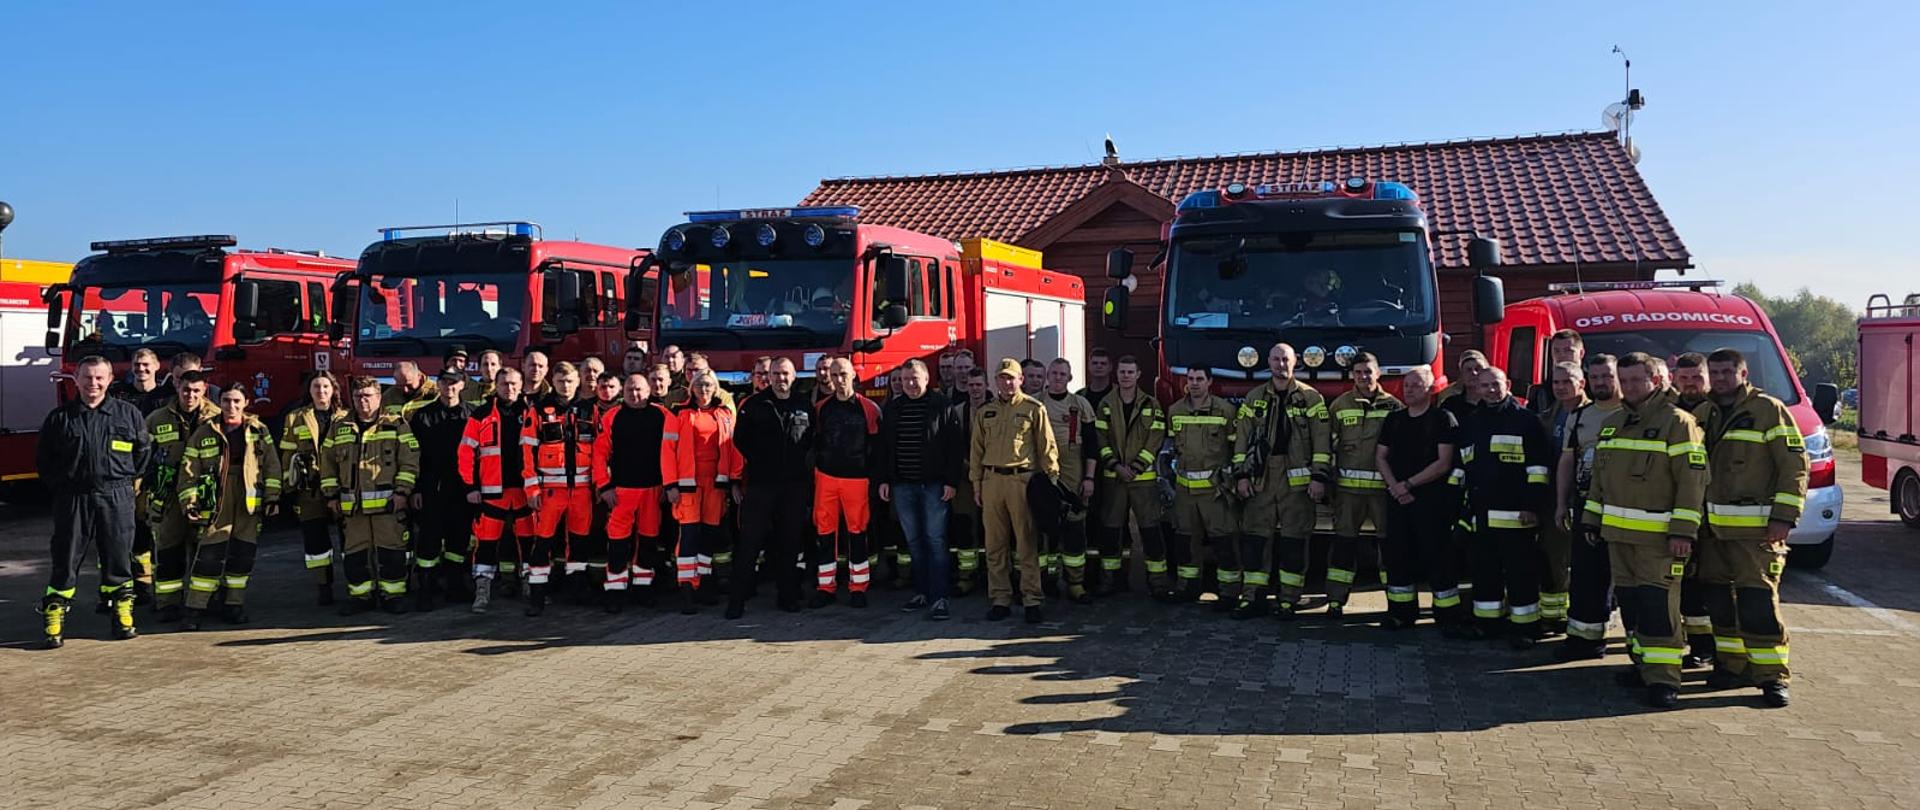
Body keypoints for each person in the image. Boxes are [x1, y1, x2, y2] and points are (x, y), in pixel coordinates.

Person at [1583, 352, 1707, 709]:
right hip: (1618, 538)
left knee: (1658, 609)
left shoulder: (1679, 423)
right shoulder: (1614, 423)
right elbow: (1599, 482)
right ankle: (1642, 666)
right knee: (1633, 608)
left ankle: (1664, 680)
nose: (1631, 387)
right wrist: (1592, 519)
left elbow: (1692, 482)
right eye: (1626, 381)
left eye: (1638, 380)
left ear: (1656, 381)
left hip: (1660, 540)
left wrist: (1683, 532)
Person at [1693, 348, 1807, 708]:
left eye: (1728, 372)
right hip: (1711, 533)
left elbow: (1794, 466)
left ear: (1743, 374)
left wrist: (1784, 518)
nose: (1721, 378)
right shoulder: (1702, 413)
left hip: (1755, 533)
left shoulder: (1768, 410)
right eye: (1715, 372)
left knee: (1757, 603)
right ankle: (1732, 666)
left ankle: (1772, 677)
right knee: (1720, 603)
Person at [36, 355, 152, 648]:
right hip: (73, 497)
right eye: (87, 377)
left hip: (116, 495)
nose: (93, 383)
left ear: (110, 380)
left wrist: (122, 482)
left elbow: (143, 453)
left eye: (100, 378)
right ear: (76, 380)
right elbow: (44, 461)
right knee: (66, 556)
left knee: (118, 555)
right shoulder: (59, 418)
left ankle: (122, 613)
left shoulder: (128, 415)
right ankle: (55, 614)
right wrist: (63, 487)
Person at [1232, 343, 1331, 619]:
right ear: (1268, 362)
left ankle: (1289, 600)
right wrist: (1241, 476)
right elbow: (1241, 440)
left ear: (1295, 362)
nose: (1280, 364)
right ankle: (1252, 597)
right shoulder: (1254, 397)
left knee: (1294, 543)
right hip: (1261, 479)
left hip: (1297, 482)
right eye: (1275, 359)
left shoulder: (1311, 399)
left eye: (1285, 359)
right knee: (1254, 540)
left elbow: (1322, 442)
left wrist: (1319, 477)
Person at [1458, 367, 1553, 647]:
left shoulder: (1526, 421)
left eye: (1495, 384)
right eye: (1484, 385)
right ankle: (1488, 625)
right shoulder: (1473, 422)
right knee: (1484, 572)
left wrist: (1532, 506)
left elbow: (1538, 470)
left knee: (1521, 574)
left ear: (1507, 384)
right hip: (1482, 516)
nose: (1490, 390)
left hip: (1517, 517)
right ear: (1477, 388)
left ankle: (1526, 628)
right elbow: (1463, 468)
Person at [176, 383, 282, 629]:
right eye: (226, 401)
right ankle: (194, 610)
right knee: (209, 555)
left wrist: (273, 498)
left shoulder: (258, 430)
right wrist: (190, 501)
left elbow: (272, 466)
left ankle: (234, 605)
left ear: (246, 403)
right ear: (219, 402)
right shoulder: (205, 431)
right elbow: (189, 469)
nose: (231, 406)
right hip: (217, 500)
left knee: (243, 555)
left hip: (248, 500)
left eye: (236, 401)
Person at [1375, 366, 1466, 631]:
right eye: (1406, 385)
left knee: (1438, 557)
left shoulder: (1442, 419)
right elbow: (1380, 456)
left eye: (1416, 385)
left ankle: (1447, 616)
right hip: (1398, 500)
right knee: (1398, 556)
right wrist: (1395, 487)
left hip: (1430, 501)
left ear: (1430, 389)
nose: (1409, 389)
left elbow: (1443, 462)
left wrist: (1408, 484)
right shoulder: (1394, 419)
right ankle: (1401, 613)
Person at [322, 376, 421, 615]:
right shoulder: (339, 426)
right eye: (358, 396)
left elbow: (410, 462)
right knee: (355, 556)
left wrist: (402, 492)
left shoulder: (396, 424)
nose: (362, 401)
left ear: (379, 398)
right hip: (352, 508)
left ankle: (393, 597)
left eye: (368, 396)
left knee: (392, 553)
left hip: (388, 506)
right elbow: (327, 464)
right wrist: (331, 495)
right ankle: (361, 597)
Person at [972, 358, 1058, 623]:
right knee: (994, 545)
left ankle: (1032, 599)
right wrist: (977, 484)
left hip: (1022, 482)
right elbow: (976, 451)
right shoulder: (985, 411)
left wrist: (1050, 485)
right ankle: (1000, 599)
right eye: (1002, 378)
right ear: (995, 381)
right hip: (992, 481)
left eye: (1011, 378)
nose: (1007, 383)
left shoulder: (1034, 409)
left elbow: (1047, 448)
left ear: (1021, 380)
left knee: (1026, 543)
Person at [878, 359, 961, 620]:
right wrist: (883, 479)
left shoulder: (941, 406)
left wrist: (951, 481)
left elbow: (954, 446)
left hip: (934, 485)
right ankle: (922, 592)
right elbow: (883, 448)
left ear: (927, 379)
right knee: (914, 541)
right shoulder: (893, 408)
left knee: (935, 541)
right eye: (905, 380)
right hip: (903, 485)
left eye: (915, 378)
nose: (910, 384)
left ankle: (940, 598)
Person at [732, 357, 814, 618]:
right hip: (762, 484)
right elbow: (740, 440)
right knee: (750, 542)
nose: (781, 378)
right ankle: (737, 600)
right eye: (776, 373)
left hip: (793, 485)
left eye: (786, 374)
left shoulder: (803, 404)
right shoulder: (754, 405)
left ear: (794, 376)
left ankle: (787, 596)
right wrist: (761, 460)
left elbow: (811, 438)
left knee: (789, 541)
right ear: (769, 376)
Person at [1556, 353, 1624, 660]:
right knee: (1585, 574)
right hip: (1587, 504)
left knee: (1624, 575)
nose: (1601, 382)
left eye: (1606, 376)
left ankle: (1636, 645)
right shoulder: (1580, 415)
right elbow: (1567, 461)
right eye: (1595, 377)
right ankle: (1585, 639)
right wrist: (1561, 503)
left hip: (1625, 505)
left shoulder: (1632, 412)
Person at [1323, 352, 1402, 616]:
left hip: (1383, 493)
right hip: (1347, 493)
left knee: (1389, 549)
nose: (1363, 377)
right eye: (1358, 372)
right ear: (1352, 375)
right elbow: (1328, 446)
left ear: (1378, 373)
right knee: (1343, 547)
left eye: (1368, 372)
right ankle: (1335, 601)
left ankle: (1396, 601)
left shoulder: (1394, 407)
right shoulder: (1340, 406)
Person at [595, 372, 678, 612]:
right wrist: (605, 486)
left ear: (649, 390)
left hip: (653, 490)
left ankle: (643, 589)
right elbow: (600, 455)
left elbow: (673, 452)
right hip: (621, 491)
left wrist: (669, 484)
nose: (634, 394)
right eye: (630, 390)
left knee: (648, 542)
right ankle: (615, 591)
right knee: (618, 544)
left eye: (639, 389)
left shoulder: (663, 415)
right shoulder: (612, 416)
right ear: (623, 391)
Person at [519, 362, 597, 616]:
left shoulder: (589, 409)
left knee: (579, 542)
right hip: (550, 491)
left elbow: (601, 450)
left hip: (582, 490)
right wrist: (531, 489)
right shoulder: (539, 410)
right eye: (561, 381)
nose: (566, 386)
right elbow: (527, 452)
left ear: (579, 382)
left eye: (570, 381)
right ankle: (537, 597)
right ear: (554, 381)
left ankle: (577, 590)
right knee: (542, 544)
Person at [146, 362, 220, 623]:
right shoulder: (156, 419)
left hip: (203, 495)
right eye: (186, 390)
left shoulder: (217, 418)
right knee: (168, 550)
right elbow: (143, 460)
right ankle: (167, 603)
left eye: (196, 391)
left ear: (205, 390)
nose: (191, 396)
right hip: (167, 497)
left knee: (205, 551)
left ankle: (204, 602)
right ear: (178, 387)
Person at [805, 357, 882, 608]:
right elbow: (813, 443)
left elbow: (877, 446)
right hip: (826, 477)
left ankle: (858, 587)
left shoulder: (868, 408)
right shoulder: (821, 408)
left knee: (857, 533)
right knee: (825, 533)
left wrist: (874, 478)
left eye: (843, 375)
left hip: (857, 479)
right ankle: (825, 587)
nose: (839, 380)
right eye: (834, 375)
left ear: (853, 376)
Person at [1092, 356, 1171, 601]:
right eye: (1122, 372)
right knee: (1111, 532)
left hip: (1143, 481)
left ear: (1138, 375)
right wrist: (1116, 466)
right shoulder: (1106, 404)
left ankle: (1157, 583)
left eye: (1130, 372)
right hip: (1114, 479)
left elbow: (1155, 440)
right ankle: (1110, 580)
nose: (1125, 376)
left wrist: (1135, 467)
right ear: (1117, 375)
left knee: (1151, 532)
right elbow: (1100, 440)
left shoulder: (1152, 404)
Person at [459, 368, 533, 613]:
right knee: (486, 544)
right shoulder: (480, 415)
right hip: (492, 493)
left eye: (513, 384)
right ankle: (482, 591)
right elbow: (465, 452)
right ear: (496, 386)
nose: (509, 389)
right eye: (504, 384)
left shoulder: (532, 413)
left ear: (521, 385)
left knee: (528, 542)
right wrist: (470, 487)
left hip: (525, 492)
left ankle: (531, 586)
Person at [1166, 367, 1239, 610]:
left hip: (1214, 491)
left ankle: (1228, 593)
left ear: (1210, 382)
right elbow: (1170, 449)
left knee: (1223, 542)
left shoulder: (1226, 411)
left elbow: (1235, 451)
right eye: (1190, 379)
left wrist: (1230, 483)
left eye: (1200, 379)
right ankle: (1188, 587)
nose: (1194, 384)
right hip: (1185, 491)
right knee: (1185, 542)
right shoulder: (1174, 411)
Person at [669, 371, 741, 613]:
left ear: (716, 388)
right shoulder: (679, 413)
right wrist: (671, 485)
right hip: (688, 484)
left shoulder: (725, 414)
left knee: (709, 536)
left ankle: (703, 583)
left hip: (715, 484)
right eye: (699, 384)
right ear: (692, 387)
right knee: (689, 536)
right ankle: (687, 588)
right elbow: (667, 452)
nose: (704, 389)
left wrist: (735, 480)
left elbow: (733, 450)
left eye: (708, 384)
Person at [408, 368, 474, 611]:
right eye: (445, 382)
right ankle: (426, 589)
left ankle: (455, 585)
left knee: (459, 539)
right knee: (429, 540)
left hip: (461, 488)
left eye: (455, 383)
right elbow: (413, 457)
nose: (450, 387)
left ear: (463, 385)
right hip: (431, 488)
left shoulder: (472, 416)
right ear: (438, 384)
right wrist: (415, 490)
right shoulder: (422, 417)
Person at [110, 347, 170, 606]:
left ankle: (159, 589)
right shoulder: (119, 396)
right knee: (129, 532)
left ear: (157, 367)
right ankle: (135, 586)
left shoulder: (166, 398)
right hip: (126, 473)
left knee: (157, 531)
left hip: (157, 474)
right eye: (136, 364)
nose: (141, 369)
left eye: (146, 364)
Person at [280, 372, 345, 605]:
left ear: (333, 389)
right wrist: (290, 489)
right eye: (316, 386)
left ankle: (355, 584)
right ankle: (324, 586)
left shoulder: (346, 417)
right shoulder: (294, 418)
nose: (321, 391)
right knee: (316, 540)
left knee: (350, 539)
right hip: (310, 489)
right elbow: (287, 454)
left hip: (341, 486)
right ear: (309, 390)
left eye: (326, 386)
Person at [1035, 358, 1097, 602]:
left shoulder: (1081, 405)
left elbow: (1092, 445)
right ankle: (1045, 581)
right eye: (1054, 373)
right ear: (1047, 376)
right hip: (1041, 472)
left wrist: (1089, 478)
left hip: (1073, 472)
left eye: (1063, 374)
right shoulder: (1035, 403)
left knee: (1074, 528)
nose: (1058, 377)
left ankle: (1075, 583)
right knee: (1043, 528)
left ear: (1070, 378)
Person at [1537, 361, 1590, 633]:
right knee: (1554, 555)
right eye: (1556, 382)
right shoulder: (1549, 415)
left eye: (1566, 381)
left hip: (1585, 498)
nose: (1560, 387)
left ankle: (1582, 615)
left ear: (1581, 382)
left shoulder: (1593, 415)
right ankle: (1555, 616)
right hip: (1553, 498)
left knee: (1582, 560)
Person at [1669, 350, 1715, 664]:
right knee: (1683, 582)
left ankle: (1705, 649)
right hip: (1679, 507)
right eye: (1683, 378)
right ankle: (1692, 644)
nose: (1690, 384)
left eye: (1696, 377)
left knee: (1706, 584)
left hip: (1713, 511)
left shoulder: (1718, 411)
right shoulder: (1667, 411)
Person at [948, 368, 990, 595]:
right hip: (965, 480)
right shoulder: (957, 412)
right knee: (964, 527)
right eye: (971, 385)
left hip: (991, 479)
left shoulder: (995, 411)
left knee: (992, 530)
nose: (974, 389)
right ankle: (966, 575)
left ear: (986, 386)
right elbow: (951, 446)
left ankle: (990, 573)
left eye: (978, 385)